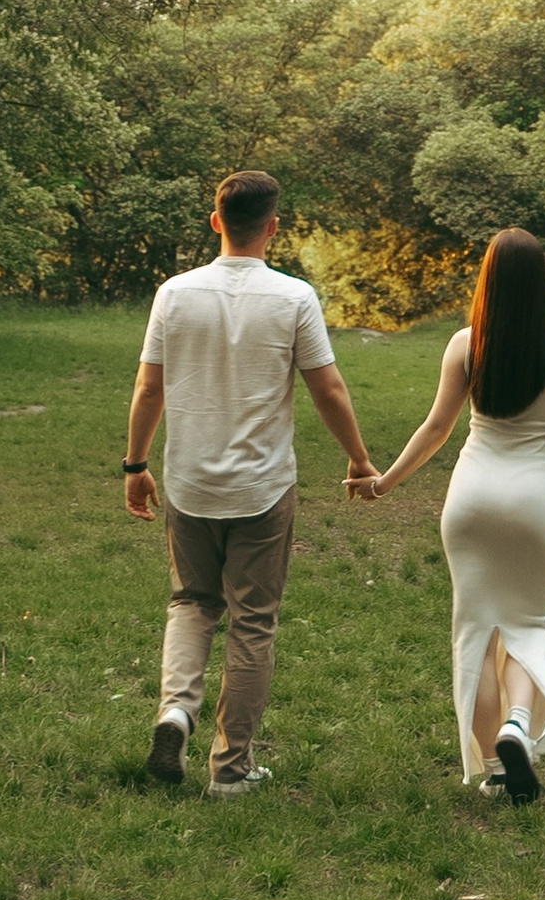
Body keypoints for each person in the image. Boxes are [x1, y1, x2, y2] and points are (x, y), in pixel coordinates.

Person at [122, 168, 376, 795]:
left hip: (189, 484)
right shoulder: (294, 298)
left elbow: (149, 387)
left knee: (191, 602)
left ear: (216, 221)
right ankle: (231, 770)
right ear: (273, 227)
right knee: (252, 621)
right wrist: (358, 459)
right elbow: (328, 388)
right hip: (263, 487)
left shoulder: (174, 294)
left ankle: (175, 712)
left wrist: (135, 466)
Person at [351, 226, 545, 799]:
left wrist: (383, 483)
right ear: (542, 284)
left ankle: (497, 769)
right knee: (527, 625)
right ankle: (517, 726)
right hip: (531, 503)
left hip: (470, 499)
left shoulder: (465, 344)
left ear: (488, 282)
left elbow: (437, 427)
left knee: (478, 634)